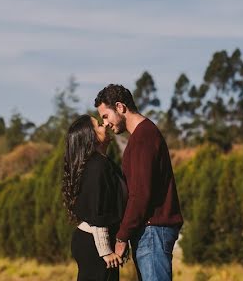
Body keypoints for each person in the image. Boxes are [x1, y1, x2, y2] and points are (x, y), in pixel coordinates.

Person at [95, 84, 183, 281]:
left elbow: (141, 194)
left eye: (105, 116)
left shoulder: (144, 137)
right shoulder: (141, 137)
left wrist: (122, 236)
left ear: (120, 107)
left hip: (153, 230)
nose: (106, 123)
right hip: (150, 230)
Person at [63, 114, 129, 281]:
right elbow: (97, 213)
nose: (105, 124)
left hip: (95, 242)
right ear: (90, 137)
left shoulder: (102, 162)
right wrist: (105, 250)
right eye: (99, 125)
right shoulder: (97, 166)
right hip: (95, 244)